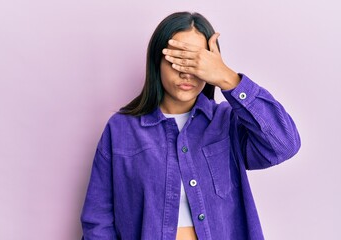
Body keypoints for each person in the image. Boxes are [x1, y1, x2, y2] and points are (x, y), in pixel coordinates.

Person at [80, 11, 301, 240]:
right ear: (157, 61)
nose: (186, 72)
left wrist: (228, 78)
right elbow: (98, 220)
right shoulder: (121, 130)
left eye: (196, 61)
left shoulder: (227, 123)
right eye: (177, 59)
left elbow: (284, 144)